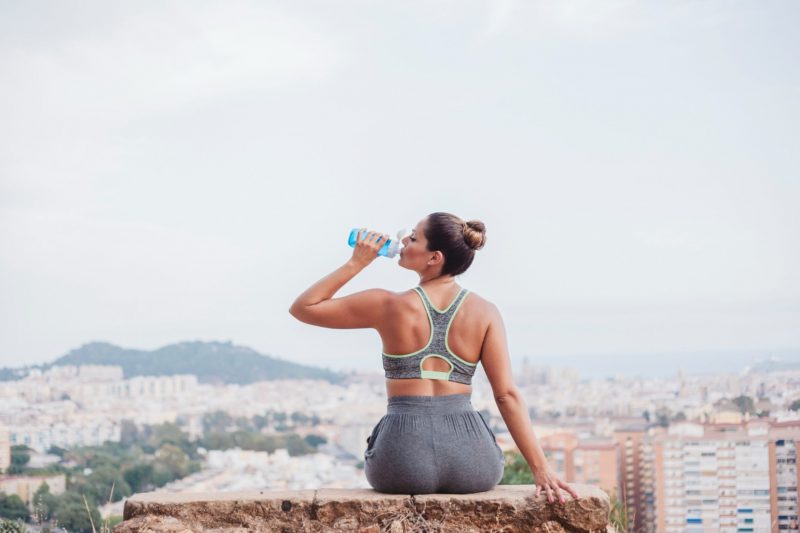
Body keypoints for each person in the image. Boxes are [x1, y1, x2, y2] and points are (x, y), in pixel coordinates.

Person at [289, 212, 577, 502]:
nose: (404, 240)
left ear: (434, 258)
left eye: (414, 237)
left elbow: (304, 308)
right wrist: (541, 470)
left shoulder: (388, 305)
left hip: (400, 464)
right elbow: (506, 395)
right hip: (473, 464)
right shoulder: (485, 312)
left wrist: (357, 262)